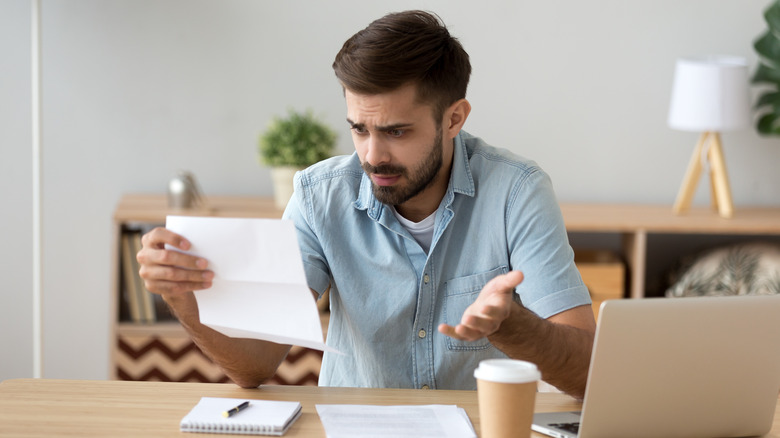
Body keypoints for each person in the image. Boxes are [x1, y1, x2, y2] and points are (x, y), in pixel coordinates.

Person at [137, 10, 596, 398]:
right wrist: (182, 298)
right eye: (359, 129)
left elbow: (586, 372)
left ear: (454, 118)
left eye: (396, 131)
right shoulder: (319, 197)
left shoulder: (517, 192)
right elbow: (256, 365)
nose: (372, 156)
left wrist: (514, 327)